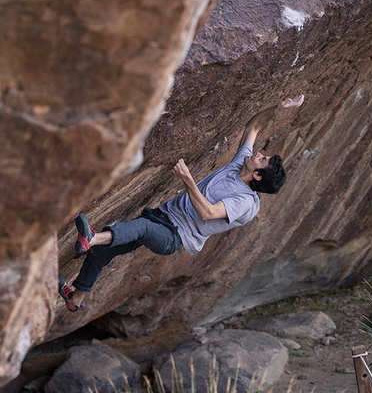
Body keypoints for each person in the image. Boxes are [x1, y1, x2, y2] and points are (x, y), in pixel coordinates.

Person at [59, 95, 304, 312]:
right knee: (106, 252)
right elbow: (253, 126)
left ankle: (90, 239)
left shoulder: (246, 202)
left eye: (263, 159)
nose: (259, 154)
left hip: (174, 236)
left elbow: (208, 213)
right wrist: (278, 108)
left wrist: (187, 179)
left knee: (141, 228)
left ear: (258, 176)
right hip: (163, 215)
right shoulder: (240, 164)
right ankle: (75, 299)